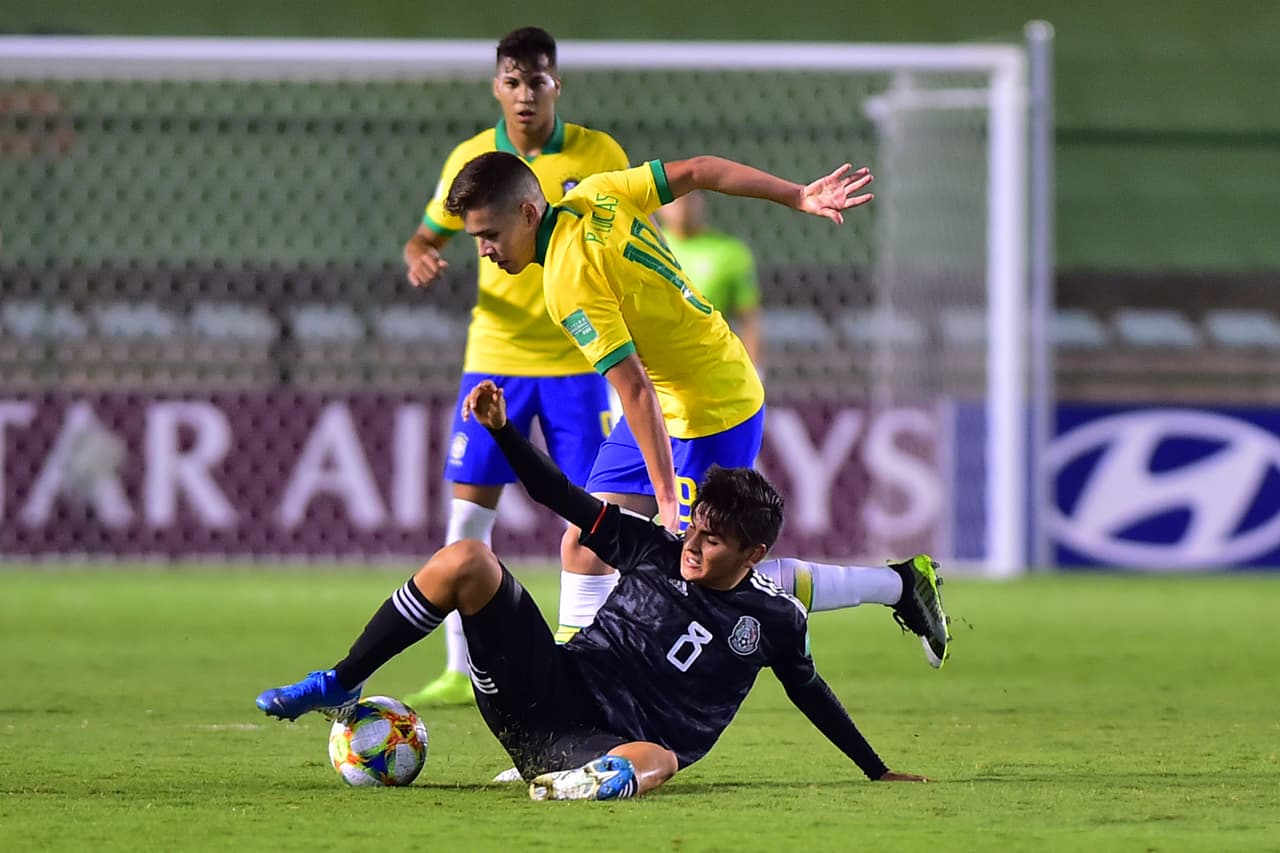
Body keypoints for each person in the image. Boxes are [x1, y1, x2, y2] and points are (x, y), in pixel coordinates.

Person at [256, 380, 930, 800]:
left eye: (713, 542)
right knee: (466, 558)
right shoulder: (652, 548)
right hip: (539, 690)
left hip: (594, 741)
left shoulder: (775, 619)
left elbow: (810, 690)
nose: (692, 545)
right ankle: (341, 679)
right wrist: (503, 433)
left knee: (659, 755)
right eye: (695, 529)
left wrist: (876, 769)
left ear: (754, 554)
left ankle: (590, 784)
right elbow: (558, 494)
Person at [442, 149, 949, 668]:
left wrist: (666, 500)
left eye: (490, 235)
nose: (484, 252)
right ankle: (576, 677)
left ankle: (898, 584)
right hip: (673, 399)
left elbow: (632, 389)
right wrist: (796, 194)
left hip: (712, 407)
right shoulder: (597, 192)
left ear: (528, 214)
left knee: (706, 573)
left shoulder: (567, 282)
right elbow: (701, 169)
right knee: (584, 542)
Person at [400, 27, 630, 708]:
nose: (525, 94)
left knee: (595, 518)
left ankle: (590, 651)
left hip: (579, 360)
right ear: (495, 85)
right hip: (495, 359)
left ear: (558, 84)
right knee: (469, 516)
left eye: (538, 80)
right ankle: (456, 666)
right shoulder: (471, 158)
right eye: (513, 80)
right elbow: (427, 232)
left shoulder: (598, 155)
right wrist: (419, 251)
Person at [657, 191, 763, 368]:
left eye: (689, 198)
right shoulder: (646, 247)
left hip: (708, 362)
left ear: (701, 202)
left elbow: (749, 319)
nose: (681, 206)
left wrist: (755, 369)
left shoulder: (731, 252)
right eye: (673, 200)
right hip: (653, 364)